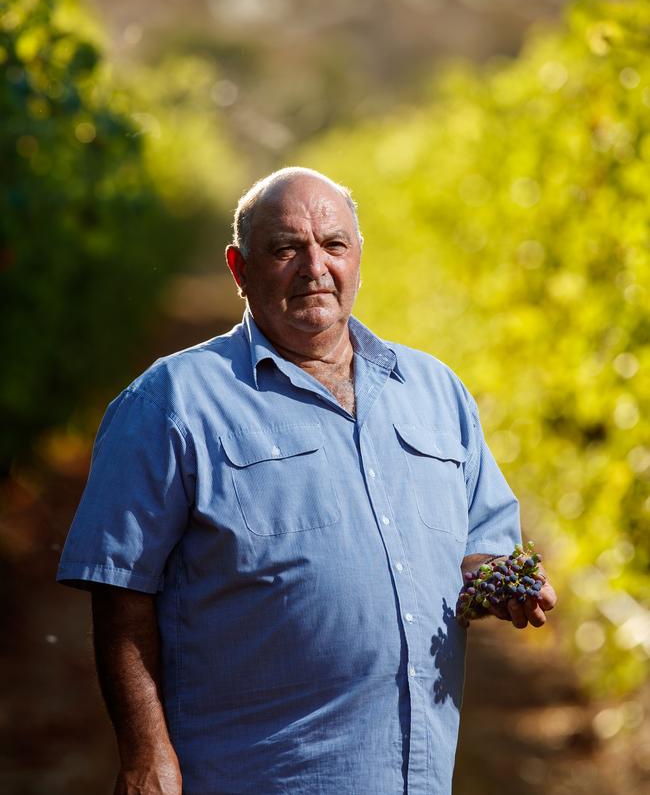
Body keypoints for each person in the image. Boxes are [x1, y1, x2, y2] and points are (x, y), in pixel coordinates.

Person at [57, 166, 557, 795]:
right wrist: (144, 753)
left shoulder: (435, 391)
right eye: (286, 248)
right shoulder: (172, 401)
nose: (314, 266)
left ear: (358, 257)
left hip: (414, 776)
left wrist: (500, 584)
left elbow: (479, 544)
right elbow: (120, 592)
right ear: (240, 269)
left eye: (334, 244)